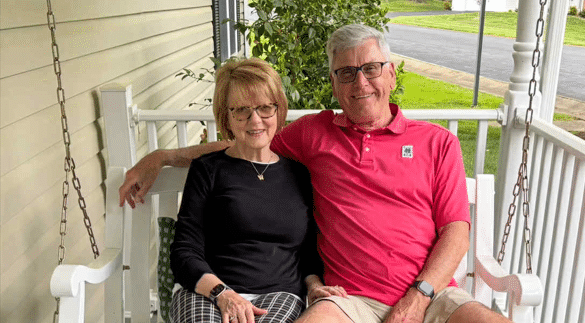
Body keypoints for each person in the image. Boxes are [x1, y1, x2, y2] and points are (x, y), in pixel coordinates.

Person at [120, 25, 512, 323]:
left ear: (391, 74)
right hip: (346, 301)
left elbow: (456, 232)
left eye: (371, 69)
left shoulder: (437, 143)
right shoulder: (313, 134)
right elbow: (248, 142)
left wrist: (420, 295)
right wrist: (164, 156)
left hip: (432, 294)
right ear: (334, 85)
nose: (360, 82)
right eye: (346, 73)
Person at [168, 57, 333, 323]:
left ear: (278, 111)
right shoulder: (208, 170)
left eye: (265, 108)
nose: (255, 120)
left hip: (279, 294)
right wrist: (223, 294)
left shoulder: (299, 174)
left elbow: (306, 253)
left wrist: (314, 286)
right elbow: (184, 251)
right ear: (227, 117)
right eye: (242, 110)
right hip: (210, 290)